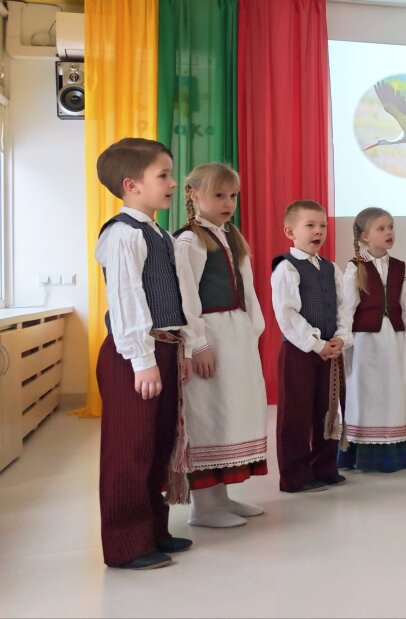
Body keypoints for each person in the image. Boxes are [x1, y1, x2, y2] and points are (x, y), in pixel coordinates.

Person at [93, 137, 192, 569]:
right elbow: (127, 299)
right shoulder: (122, 234)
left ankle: (153, 531)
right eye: (163, 175)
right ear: (131, 185)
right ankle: (126, 545)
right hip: (133, 355)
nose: (172, 183)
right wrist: (142, 359)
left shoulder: (157, 233)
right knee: (130, 450)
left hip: (161, 350)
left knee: (157, 444)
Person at [173, 163, 269, 528]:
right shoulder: (189, 241)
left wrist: (251, 331)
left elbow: (248, 290)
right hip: (211, 337)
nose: (228, 203)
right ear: (194, 194)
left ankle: (221, 498)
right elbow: (185, 297)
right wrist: (197, 344)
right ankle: (204, 507)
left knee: (231, 414)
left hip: (234, 337)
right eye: (219, 195)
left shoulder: (230, 236)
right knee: (210, 415)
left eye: (233, 196)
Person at [270, 200, 352, 493]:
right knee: (296, 413)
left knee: (328, 408)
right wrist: (316, 344)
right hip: (300, 352)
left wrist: (341, 337)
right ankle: (295, 476)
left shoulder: (331, 268)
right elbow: (287, 314)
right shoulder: (286, 268)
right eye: (310, 225)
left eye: (323, 226)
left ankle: (325, 467)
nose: (318, 231)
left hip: (330, 350)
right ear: (289, 231)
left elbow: (343, 308)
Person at [339, 207, 406, 472]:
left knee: (394, 392)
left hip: (394, 340)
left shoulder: (400, 267)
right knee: (365, 393)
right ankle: (361, 453)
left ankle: (391, 454)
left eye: (391, 227)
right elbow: (347, 308)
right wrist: (344, 341)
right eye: (381, 228)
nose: (389, 232)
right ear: (365, 236)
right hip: (365, 343)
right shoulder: (355, 267)